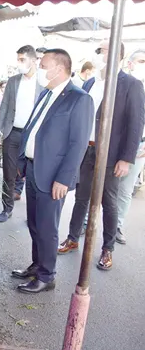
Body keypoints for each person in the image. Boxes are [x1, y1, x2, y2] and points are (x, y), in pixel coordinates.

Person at [58, 40, 145, 270]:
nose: (99, 54)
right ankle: (73, 238)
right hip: (86, 149)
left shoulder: (131, 84)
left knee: (109, 200)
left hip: (112, 153)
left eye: (103, 50)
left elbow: (136, 124)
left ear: (118, 55)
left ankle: (107, 249)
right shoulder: (91, 82)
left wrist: (126, 158)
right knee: (81, 197)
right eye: (98, 50)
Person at [13, 49, 94, 294]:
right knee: (35, 224)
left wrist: (64, 178)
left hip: (53, 176)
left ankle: (47, 276)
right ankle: (37, 265)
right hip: (34, 168)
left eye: (44, 65)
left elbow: (78, 144)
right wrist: (22, 161)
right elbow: (34, 127)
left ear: (59, 68)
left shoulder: (79, 99)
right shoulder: (47, 93)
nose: (40, 69)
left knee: (47, 227)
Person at [0, 45, 44, 222]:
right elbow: (5, 106)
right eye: (18, 59)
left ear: (33, 60)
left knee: (34, 175)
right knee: (8, 172)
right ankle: (7, 208)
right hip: (12, 133)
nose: (19, 63)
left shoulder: (43, 82)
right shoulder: (14, 81)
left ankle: (34, 215)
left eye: (22, 60)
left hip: (34, 136)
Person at [115, 49, 145, 244]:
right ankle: (85, 222)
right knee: (98, 187)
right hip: (115, 144)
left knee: (125, 190)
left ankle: (117, 225)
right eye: (141, 61)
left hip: (139, 148)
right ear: (131, 63)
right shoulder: (122, 84)